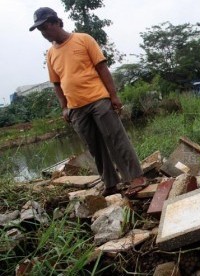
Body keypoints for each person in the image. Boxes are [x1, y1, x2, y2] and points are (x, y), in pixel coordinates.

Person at [30, 7, 147, 197]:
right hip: (76, 109)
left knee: (116, 138)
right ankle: (110, 183)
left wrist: (113, 96)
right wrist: (64, 107)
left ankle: (136, 177)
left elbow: (102, 68)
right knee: (95, 147)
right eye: (40, 30)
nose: (43, 33)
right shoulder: (51, 54)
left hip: (98, 99)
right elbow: (57, 84)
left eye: (44, 27)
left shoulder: (83, 39)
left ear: (55, 22)